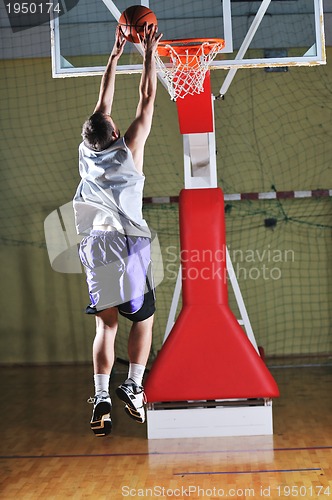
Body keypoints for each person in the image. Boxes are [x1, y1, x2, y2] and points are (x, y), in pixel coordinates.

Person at [73, 23, 162, 436]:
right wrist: (146, 51)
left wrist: (113, 52)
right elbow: (146, 98)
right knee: (142, 320)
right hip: (127, 243)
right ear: (114, 133)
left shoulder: (85, 154)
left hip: (93, 245)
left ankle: (101, 395)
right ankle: (133, 385)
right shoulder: (130, 152)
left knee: (105, 325)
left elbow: (100, 107)